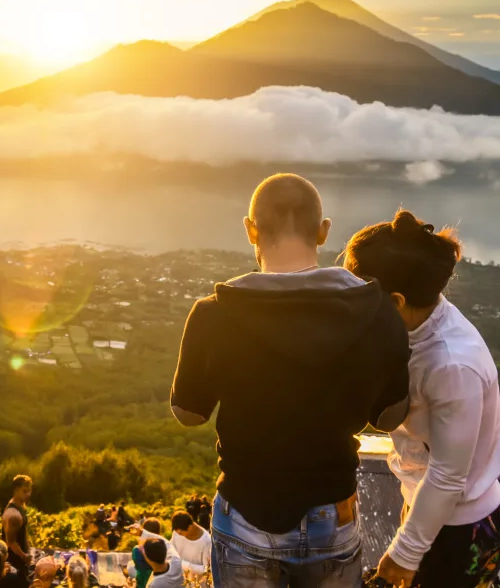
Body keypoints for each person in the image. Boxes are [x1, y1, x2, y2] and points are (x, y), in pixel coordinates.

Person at [170, 173, 411, 588]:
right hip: (332, 514)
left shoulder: (213, 313)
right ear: (323, 231)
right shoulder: (376, 310)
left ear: (251, 230)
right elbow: (391, 417)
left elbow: (188, 413)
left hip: (245, 512)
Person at [344, 210, 500, 588]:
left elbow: (448, 476)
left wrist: (404, 553)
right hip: (427, 506)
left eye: (361, 293)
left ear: (396, 301)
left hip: (457, 527)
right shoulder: (418, 325)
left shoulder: (451, 364)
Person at [2, 475, 34, 587]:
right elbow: (10, 542)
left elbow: (22, 533)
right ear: (16, 490)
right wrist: (24, 556)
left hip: (21, 563)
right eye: (25, 491)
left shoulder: (21, 506)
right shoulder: (12, 514)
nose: (28, 494)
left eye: (29, 491)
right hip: (13, 564)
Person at [170, 511, 211, 581]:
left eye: (181, 533)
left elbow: (207, 570)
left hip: (196, 584)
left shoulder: (207, 542)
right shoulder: (177, 531)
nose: (178, 535)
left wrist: (185, 565)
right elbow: (171, 551)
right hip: (179, 581)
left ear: (190, 527)